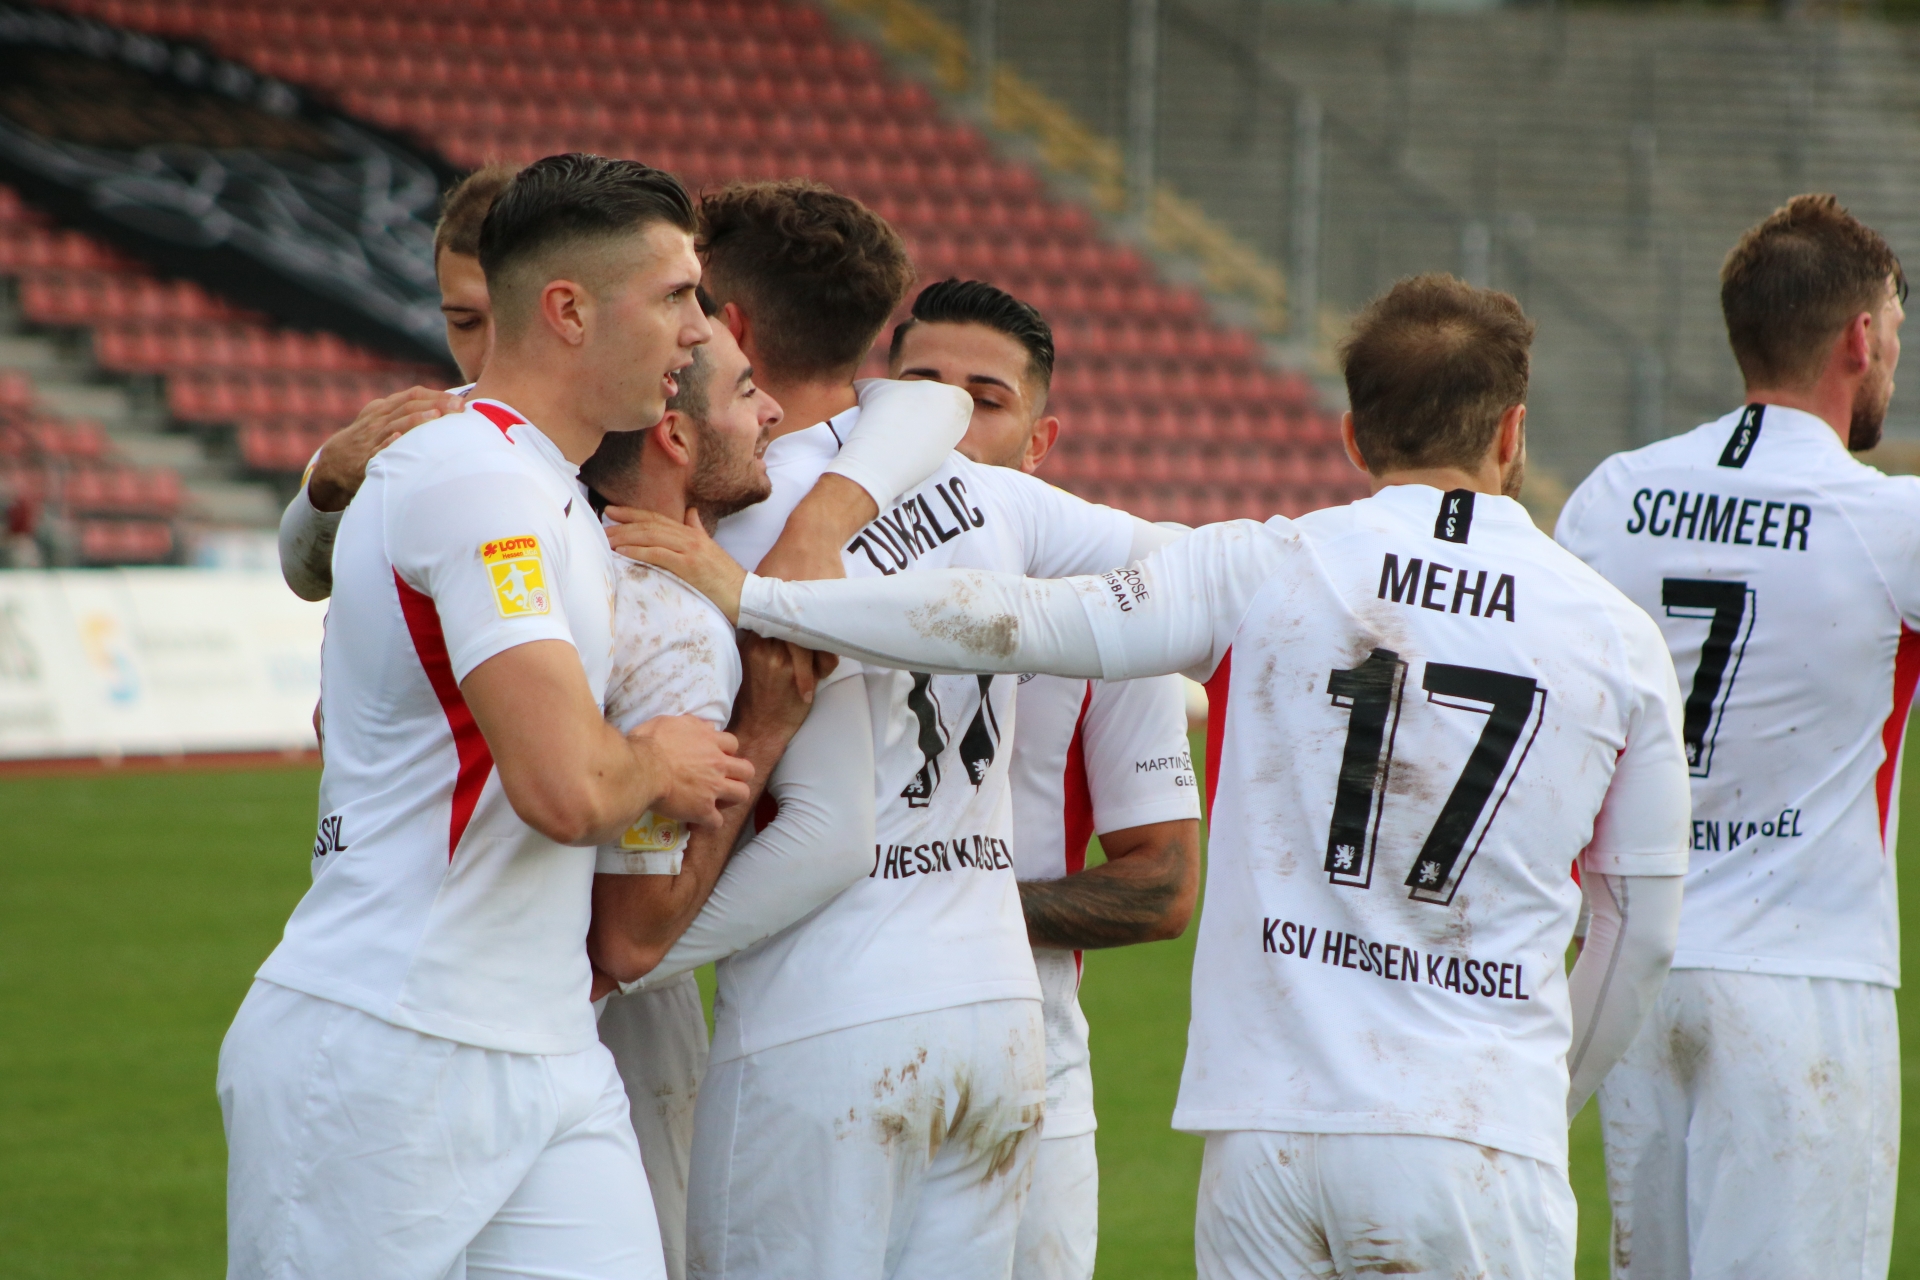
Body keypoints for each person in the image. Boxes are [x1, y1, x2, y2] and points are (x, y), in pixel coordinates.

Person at [633, 273, 1694, 1280]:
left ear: (1353, 434)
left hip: (1269, 1135)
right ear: (1512, 432)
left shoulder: (1272, 563)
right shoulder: (1616, 636)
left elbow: (1020, 619)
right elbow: (1640, 927)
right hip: (1478, 1131)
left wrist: (766, 599)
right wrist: (1544, 1100)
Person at [607, 180, 1176, 1280]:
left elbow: (829, 834)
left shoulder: (745, 517)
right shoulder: (974, 483)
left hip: (832, 1018)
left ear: (735, 326)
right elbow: (1169, 564)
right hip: (998, 1018)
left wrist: (639, 958)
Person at [218, 154, 757, 1279]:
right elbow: (565, 788)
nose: (697, 330)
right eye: (675, 296)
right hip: (391, 1041)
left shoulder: (538, 480)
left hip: (545, 1040)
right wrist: (660, 759)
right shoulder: (478, 482)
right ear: (569, 310)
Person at [1555, 193, 1915, 1280]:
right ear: (1859, 337)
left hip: (1636, 967)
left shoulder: (1614, 495)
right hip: (1804, 977)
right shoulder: (1890, 520)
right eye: (1897, 330)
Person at [887, 278, 1203, 1280]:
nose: (946, 421)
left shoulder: (1110, 617)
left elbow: (1163, 886)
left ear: (1039, 444)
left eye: (984, 398)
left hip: (1033, 1064)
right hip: (821, 1036)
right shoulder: (798, 576)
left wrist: (942, 898)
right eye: (920, 388)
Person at [277, 162, 515, 602]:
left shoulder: (637, 435)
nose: (488, 354)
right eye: (464, 323)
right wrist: (327, 484)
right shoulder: (409, 435)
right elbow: (305, 580)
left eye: (514, 318)